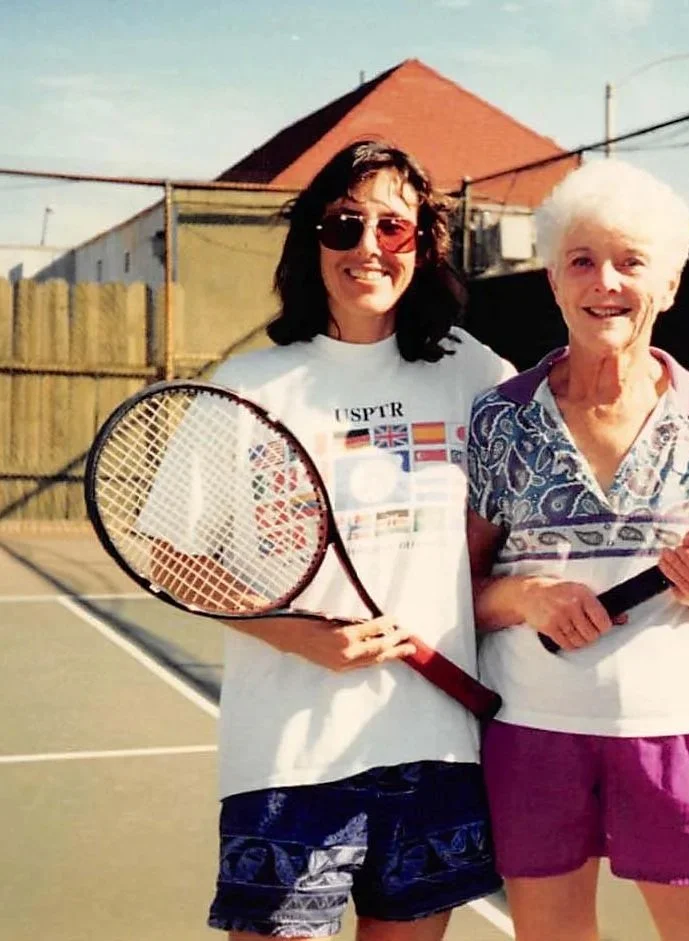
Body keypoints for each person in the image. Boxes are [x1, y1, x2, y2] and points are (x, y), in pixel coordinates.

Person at [205, 140, 514, 941]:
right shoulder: (246, 387)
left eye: (394, 227)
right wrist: (299, 637)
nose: (367, 247)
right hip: (289, 758)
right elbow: (178, 563)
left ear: (424, 244)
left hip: (435, 748)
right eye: (343, 224)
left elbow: (566, 446)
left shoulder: (472, 374)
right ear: (312, 242)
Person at [465, 159, 689, 941]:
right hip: (535, 733)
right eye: (581, 260)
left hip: (681, 733)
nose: (604, 281)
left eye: (630, 261)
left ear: (668, 284)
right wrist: (523, 598)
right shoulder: (498, 420)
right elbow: (455, 590)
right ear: (552, 279)